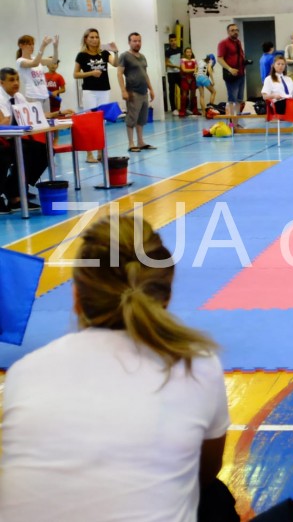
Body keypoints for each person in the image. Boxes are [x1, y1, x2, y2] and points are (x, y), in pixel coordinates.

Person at [0, 215, 230, 520]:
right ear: (166, 297)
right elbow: (205, 472)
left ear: (76, 297)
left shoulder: (23, 374)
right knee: (215, 499)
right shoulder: (196, 366)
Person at [0, 67, 48, 213]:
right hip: (3, 140)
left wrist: (56, 113)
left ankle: (15, 190)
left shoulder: (19, 97)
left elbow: (33, 115)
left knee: (42, 151)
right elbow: (3, 124)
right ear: (1, 83)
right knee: (5, 155)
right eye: (11, 80)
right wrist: (8, 120)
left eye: (17, 79)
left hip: (13, 139)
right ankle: (11, 191)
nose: (16, 83)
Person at [74, 27, 118, 163]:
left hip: (104, 90)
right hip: (90, 91)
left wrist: (116, 52)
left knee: (101, 121)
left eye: (96, 37)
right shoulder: (81, 55)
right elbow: (75, 74)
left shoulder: (104, 53)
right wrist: (91, 73)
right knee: (90, 122)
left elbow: (116, 64)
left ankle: (100, 151)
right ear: (86, 39)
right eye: (91, 37)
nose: (94, 40)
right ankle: (89, 154)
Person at [117, 32, 156, 152]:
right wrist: (123, 91)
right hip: (133, 92)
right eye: (134, 41)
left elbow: (145, 74)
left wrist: (151, 89)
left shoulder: (143, 57)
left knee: (141, 119)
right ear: (129, 42)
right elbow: (119, 73)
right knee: (132, 118)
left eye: (139, 41)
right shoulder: (124, 56)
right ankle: (131, 143)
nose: (137, 43)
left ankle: (140, 142)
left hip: (144, 92)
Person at [16, 34, 58, 114]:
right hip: (33, 96)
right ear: (21, 45)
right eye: (29, 44)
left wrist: (55, 47)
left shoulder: (35, 58)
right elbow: (34, 63)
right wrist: (43, 46)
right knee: (36, 124)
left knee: (48, 121)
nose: (32, 47)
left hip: (44, 95)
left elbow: (54, 60)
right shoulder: (20, 61)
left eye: (33, 44)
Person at [217, 23, 247, 121]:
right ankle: (231, 124)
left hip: (241, 74)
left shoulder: (238, 42)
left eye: (236, 30)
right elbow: (220, 59)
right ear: (228, 32)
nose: (235, 32)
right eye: (232, 30)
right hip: (231, 75)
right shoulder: (223, 43)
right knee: (232, 99)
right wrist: (230, 69)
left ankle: (235, 123)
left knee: (239, 100)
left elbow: (238, 56)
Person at [179, 46, 200, 117]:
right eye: (187, 52)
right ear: (185, 53)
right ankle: (182, 110)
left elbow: (197, 70)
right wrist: (194, 70)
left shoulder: (194, 60)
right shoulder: (182, 60)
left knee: (193, 95)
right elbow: (184, 70)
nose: (189, 53)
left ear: (192, 53)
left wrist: (194, 70)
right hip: (185, 79)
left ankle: (195, 110)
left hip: (193, 79)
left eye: (190, 52)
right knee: (184, 95)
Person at [165, 33, 182, 115]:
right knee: (172, 91)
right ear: (169, 41)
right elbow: (166, 63)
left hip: (179, 73)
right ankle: (174, 109)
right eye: (171, 41)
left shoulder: (179, 49)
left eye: (174, 40)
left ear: (176, 40)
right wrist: (175, 66)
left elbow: (182, 60)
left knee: (183, 90)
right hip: (171, 73)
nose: (173, 42)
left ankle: (183, 108)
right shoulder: (168, 51)